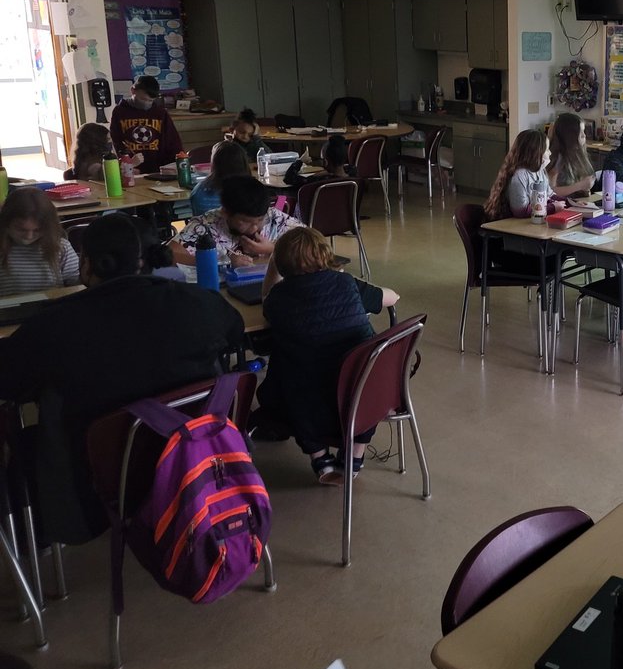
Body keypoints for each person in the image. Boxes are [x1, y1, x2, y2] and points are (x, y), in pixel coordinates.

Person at [0, 212, 244, 543]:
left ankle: (38, 558)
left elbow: (9, 381)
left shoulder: (50, 329)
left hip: (91, 485)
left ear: (86, 264)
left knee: (21, 445)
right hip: (193, 461)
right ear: (147, 260)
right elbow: (235, 334)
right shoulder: (200, 305)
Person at [258, 227, 399, 483]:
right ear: (325, 255)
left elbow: (266, 302)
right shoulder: (345, 283)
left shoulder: (278, 298)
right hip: (366, 397)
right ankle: (355, 455)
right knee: (363, 376)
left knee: (292, 376)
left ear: (281, 265)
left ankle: (320, 457)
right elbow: (391, 297)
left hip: (310, 404)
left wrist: (272, 269)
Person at [174, 174, 302, 268]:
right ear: (225, 212)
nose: (254, 228)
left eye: (260, 220)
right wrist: (223, 262)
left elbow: (316, 243)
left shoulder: (273, 217)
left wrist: (272, 248)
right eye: (245, 221)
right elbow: (170, 254)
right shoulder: (206, 225)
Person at [0, 187, 80, 296]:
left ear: (48, 227)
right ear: (6, 223)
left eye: (37, 230)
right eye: (21, 229)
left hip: (51, 309)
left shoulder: (60, 247)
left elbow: (76, 284)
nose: (29, 236)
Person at [108, 75, 183, 173]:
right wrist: (126, 164)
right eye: (143, 99)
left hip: (158, 168)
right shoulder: (119, 111)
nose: (147, 103)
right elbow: (116, 141)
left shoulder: (160, 112)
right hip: (131, 168)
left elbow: (172, 141)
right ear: (133, 91)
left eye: (151, 101)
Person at [484, 129, 552, 219]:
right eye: (547, 150)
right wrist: (553, 208)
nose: (550, 153)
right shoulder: (519, 175)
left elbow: (550, 195)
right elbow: (520, 212)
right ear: (535, 153)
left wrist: (570, 203)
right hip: (509, 224)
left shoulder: (540, 171)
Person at [188, 140, 252, 215]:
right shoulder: (252, 191)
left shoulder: (198, 191)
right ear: (244, 163)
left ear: (214, 163)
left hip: (204, 226)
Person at [547, 113, 598, 199]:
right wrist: (580, 186)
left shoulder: (577, 154)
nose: (584, 135)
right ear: (569, 135)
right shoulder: (558, 158)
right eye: (580, 132)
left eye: (584, 131)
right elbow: (551, 192)